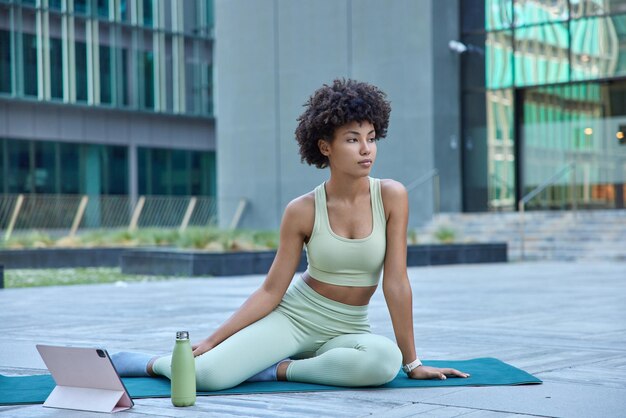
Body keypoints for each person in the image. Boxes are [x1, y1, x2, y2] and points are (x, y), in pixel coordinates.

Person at [112, 79, 469, 389]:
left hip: (349, 329)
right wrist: (213, 340)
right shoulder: (302, 209)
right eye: (352, 139)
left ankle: (277, 370)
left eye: (371, 138)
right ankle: (147, 362)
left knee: (382, 363)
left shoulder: (392, 196)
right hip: (295, 319)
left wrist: (413, 363)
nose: (366, 149)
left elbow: (396, 282)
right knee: (206, 377)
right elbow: (271, 290)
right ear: (325, 146)